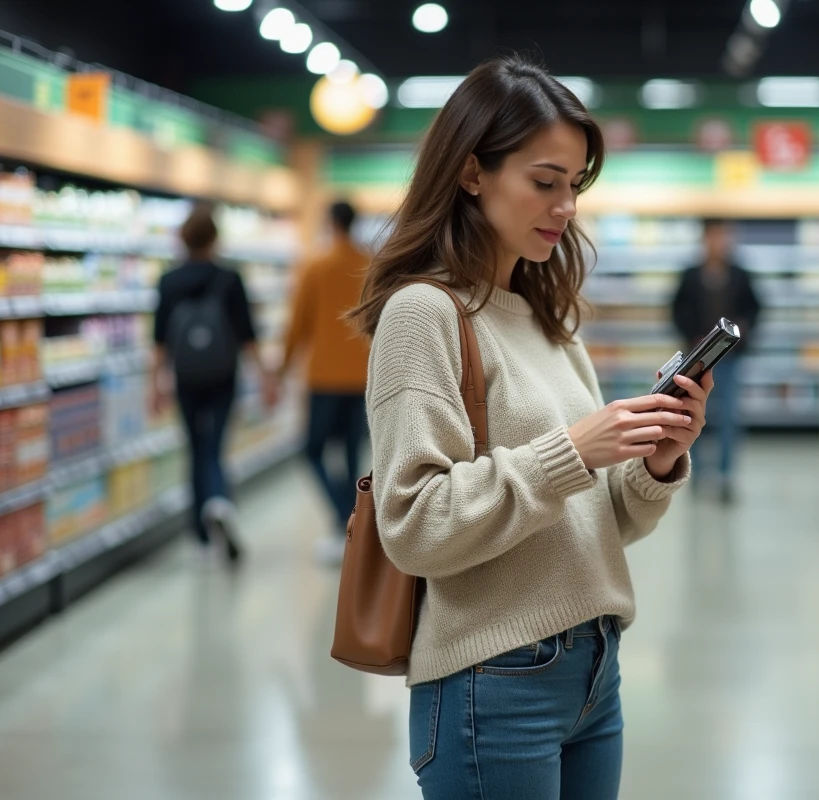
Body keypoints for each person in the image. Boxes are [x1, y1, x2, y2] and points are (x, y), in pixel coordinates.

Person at [347, 56, 713, 800]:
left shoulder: (549, 322)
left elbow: (598, 524)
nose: (566, 207)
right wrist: (572, 451)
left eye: (574, 186)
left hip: (594, 670)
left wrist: (656, 462)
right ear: (473, 173)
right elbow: (414, 524)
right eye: (544, 182)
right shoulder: (425, 315)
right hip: (495, 679)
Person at [151, 204, 275, 566]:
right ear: (215, 239)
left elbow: (158, 340)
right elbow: (247, 335)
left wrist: (155, 383)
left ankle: (200, 534)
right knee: (216, 446)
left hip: (186, 376)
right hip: (223, 374)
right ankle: (220, 500)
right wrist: (265, 377)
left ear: (183, 239)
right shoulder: (229, 278)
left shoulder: (169, 280)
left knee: (195, 446)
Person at [278, 201, 371, 565]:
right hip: (362, 375)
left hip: (324, 377)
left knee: (312, 450)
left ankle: (344, 516)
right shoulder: (371, 265)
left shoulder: (315, 265)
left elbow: (298, 322)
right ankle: (350, 522)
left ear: (331, 223)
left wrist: (282, 368)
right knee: (350, 454)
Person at [670, 219, 761, 504]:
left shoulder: (741, 275)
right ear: (705, 239)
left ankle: (725, 476)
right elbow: (676, 309)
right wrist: (690, 336)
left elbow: (756, 308)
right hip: (697, 361)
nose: (720, 242)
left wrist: (744, 331)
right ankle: (694, 472)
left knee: (729, 418)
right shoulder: (690, 274)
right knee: (691, 415)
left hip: (731, 357)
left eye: (725, 236)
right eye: (715, 236)